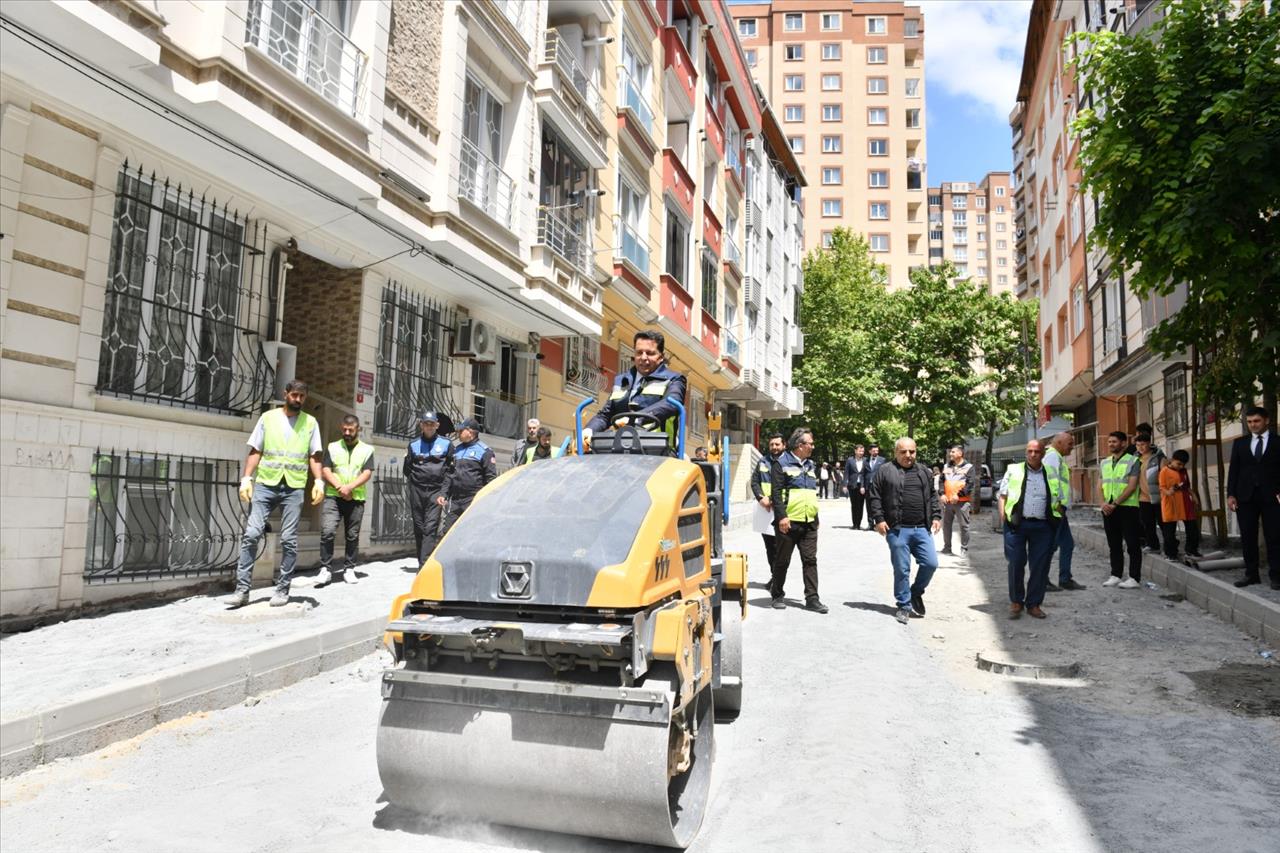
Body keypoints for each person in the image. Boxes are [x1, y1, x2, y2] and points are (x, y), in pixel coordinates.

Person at [226, 379, 323, 608]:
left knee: (289, 539)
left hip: (294, 486)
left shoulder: (310, 423)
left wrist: (318, 480)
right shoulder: (268, 418)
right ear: (286, 393)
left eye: (302, 396)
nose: (298, 399)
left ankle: (282, 589)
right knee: (251, 534)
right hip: (266, 484)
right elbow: (256, 449)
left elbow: (314, 455)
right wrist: (247, 477)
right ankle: (242, 590)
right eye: (294, 395)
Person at [868, 437, 942, 625]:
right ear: (896, 452)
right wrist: (879, 519)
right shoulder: (885, 470)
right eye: (904, 452)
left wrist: (936, 516)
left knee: (931, 563)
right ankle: (904, 605)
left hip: (922, 529)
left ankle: (915, 593)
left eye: (912, 452)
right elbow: (874, 496)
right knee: (902, 569)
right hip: (897, 530)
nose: (908, 455)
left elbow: (933, 496)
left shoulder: (924, 472)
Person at [584, 330, 687, 452]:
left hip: (660, 452)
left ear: (661, 357)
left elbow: (672, 404)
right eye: (639, 353)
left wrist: (635, 420)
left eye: (650, 353)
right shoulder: (621, 380)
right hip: (619, 450)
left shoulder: (674, 380)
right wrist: (589, 430)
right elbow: (606, 414)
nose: (643, 358)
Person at [999, 440, 1064, 619]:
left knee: (1040, 566)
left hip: (1043, 526)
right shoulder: (1014, 469)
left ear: (1043, 453)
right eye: (1030, 451)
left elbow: (1059, 497)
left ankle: (1034, 604)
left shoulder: (1050, 472)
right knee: (1016, 563)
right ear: (1026, 453)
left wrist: (1059, 517)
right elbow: (1003, 495)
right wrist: (1003, 517)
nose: (1033, 454)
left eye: (1037, 451)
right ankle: (1016, 602)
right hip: (1017, 525)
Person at [768, 427, 828, 614]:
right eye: (810, 443)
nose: (812, 446)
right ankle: (777, 594)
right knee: (782, 560)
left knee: (810, 560)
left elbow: (810, 493)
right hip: (788, 522)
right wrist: (782, 517)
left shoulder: (811, 465)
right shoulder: (781, 463)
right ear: (800, 445)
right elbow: (776, 493)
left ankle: (812, 598)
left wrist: (816, 516)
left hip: (809, 522)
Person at [1226, 406, 1280, 589]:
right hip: (1245, 496)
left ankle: (1276, 576)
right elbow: (1234, 470)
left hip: (1272, 497)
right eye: (1249, 422)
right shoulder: (1240, 443)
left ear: (1266, 421)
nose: (1253, 425)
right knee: (1248, 537)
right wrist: (1230, 494)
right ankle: (1251, 574)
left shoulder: (1277, 442)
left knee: (1275, 536)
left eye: (1256, 421)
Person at [316, 415, 374, 587]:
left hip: (356, 498)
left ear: (358, 430)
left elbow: (367, 472)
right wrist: (341, 487)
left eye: (351, 430)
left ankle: (349, 569)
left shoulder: (367, 450)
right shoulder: (333, 447)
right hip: (334, 496)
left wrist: (350, 488)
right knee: (327, 531)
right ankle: (325, 569)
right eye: (344, 430)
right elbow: (326, 469)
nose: (347, 433)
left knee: (352, 535)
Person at [404, 411, 453, 568]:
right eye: (426, 424)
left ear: (437, 425)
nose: (429, 427)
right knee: (419, 527)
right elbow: (407, 468)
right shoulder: (413, 444)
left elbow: (450, 471)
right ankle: (421, 560)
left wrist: (444, 493)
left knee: (430, 527)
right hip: (417, 491)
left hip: (436, 492)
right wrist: (416, 484)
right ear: (421, 425)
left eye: (432, 424)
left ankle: (424, 566)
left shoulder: (447, 444)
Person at [1043, 431, 1086, 590]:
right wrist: (1058, 505)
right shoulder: (1052, 457)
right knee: (1052, 545)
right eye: (1070, 444)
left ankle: (1064, 578)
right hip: (1056, 509)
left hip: (1059, 509)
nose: (1072, 448)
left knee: (1066, 544)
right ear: (1059, 443)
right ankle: (1045, 579)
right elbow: (1051, 482)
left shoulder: (1056, 457)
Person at [1100, 430, 1143, 589]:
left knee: (1132, 543)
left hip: (1127, 508)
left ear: (1124, 443)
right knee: (1114, 544)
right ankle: (1116, 575)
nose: (1111, 444)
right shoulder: (1104, 463)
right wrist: (1103, 503)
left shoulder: (1133, 461)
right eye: (1109, 441)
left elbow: (1132, 486)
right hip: (1108, 508)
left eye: (1115, 441)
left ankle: (1134, 577)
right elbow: (1100, 485)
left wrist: (1115, 504)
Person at [440, 418, 497, 536]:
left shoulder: (485, 451)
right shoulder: (456, 450)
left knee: (471, 533)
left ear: (470, 432)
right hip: (455, 500)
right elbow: (450, 474)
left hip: (473, 499)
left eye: (461, 431)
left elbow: (491, 479)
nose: (458, 433)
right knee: (448, 533)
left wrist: (486, 501)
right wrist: (443, 493)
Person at [751, 433, 786, 579]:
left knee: (781, 548)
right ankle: (774, 577)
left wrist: (771, 500)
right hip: (764, 511)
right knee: (769, 547)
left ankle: (778, 580)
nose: (774, 447)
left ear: (784, 445)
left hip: (781, 510)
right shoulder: (763, 461)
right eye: (772, 444)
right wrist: (760, 498)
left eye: (777, 444)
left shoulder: (789, 463)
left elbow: (789, 485)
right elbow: (754, 482)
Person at [1159, 449, 1201, 561]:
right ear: (1172, 460)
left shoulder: (1183, 471)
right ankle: (1170, 553)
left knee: (1192, 528)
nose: (1180, 466)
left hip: (1185, 502)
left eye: (1183, 465)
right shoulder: (1164, 471)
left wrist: (1195, 497)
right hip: (1170, 502)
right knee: (1169, 531)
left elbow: (1187, 486)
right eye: (1178, 464)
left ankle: (1191, 550)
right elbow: (1162, 487)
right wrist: (1169, 492)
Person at [940, 445, 977, 556]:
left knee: (964, 526)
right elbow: (941, 481)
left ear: (960, 454)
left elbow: (970, 484)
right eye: (950, 452)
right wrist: (942, 494)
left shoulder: (969, 467)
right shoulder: (946, 466)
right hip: (948, 502)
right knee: (946, 525)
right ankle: (947, 548)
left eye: (953, 452)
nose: (950, 454)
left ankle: (964, 548)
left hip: (962, 502)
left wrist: (959, 495)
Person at [1134, 433, 1165, 553]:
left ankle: (1170, 547)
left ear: (1149, 443)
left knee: (1164, 523)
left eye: (1143, 444)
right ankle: (1153, 545)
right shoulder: (1135, 459)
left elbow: (1165, 476)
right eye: (1137, 445)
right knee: (1147, 523)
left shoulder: (1158, 458)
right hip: (1142, 497)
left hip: (1158, 496)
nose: (1140, 447)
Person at [844, 444, 871, 530]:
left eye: (862, 451)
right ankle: (854, 524)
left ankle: (858, 524)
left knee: (860, 505)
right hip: (852, 484)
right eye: (860, 451)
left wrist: (864, 486)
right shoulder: (850, 460)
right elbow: (846, 473)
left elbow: (867, 474)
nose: (861, 453)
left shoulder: (866, 460)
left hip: (862, 486)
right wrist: (845, 484)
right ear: (855, 451)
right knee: (854, 505)